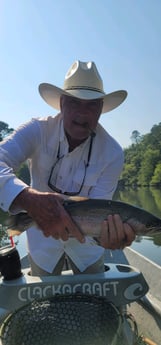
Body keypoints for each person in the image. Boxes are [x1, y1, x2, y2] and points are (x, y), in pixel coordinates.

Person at [0, 60, 135, 276]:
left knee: (92, 306)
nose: (83, 114)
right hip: (41, 245)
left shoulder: (113, 153)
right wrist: (26, 198)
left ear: (101, 109)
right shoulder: (36, 130)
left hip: (88, 251)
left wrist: (109, 237)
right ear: (62, 103)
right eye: (74, 102)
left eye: (92, 105)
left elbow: (101, 209)